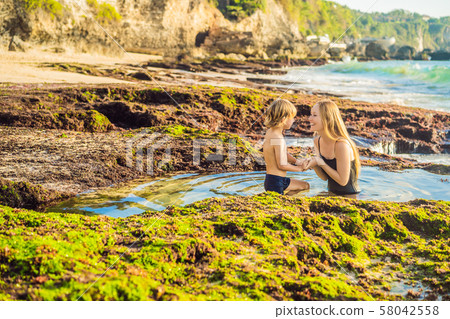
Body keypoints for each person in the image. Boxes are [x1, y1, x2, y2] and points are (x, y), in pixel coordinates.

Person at [307, 100, 361, 196]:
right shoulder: (317, 141)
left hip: (350, 197)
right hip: (330, 193)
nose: (309, 118)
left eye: (314, 115)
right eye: (310, 114)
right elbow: (324, 177)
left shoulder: (341, 144)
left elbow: (343, 181)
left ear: (327, 119)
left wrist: (321, 163)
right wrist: (314, 164)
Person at [263, 99, 310, 195]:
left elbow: (282, 153)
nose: (293, 120)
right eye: (292, 117)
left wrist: (297, 162)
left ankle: (287, 198)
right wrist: (300, 169)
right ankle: (286, 200)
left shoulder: (271, 132)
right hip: (275, 182)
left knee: (305, 185)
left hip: (275, 180)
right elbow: (282, 165)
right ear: (283, 119)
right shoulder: (278, 138)